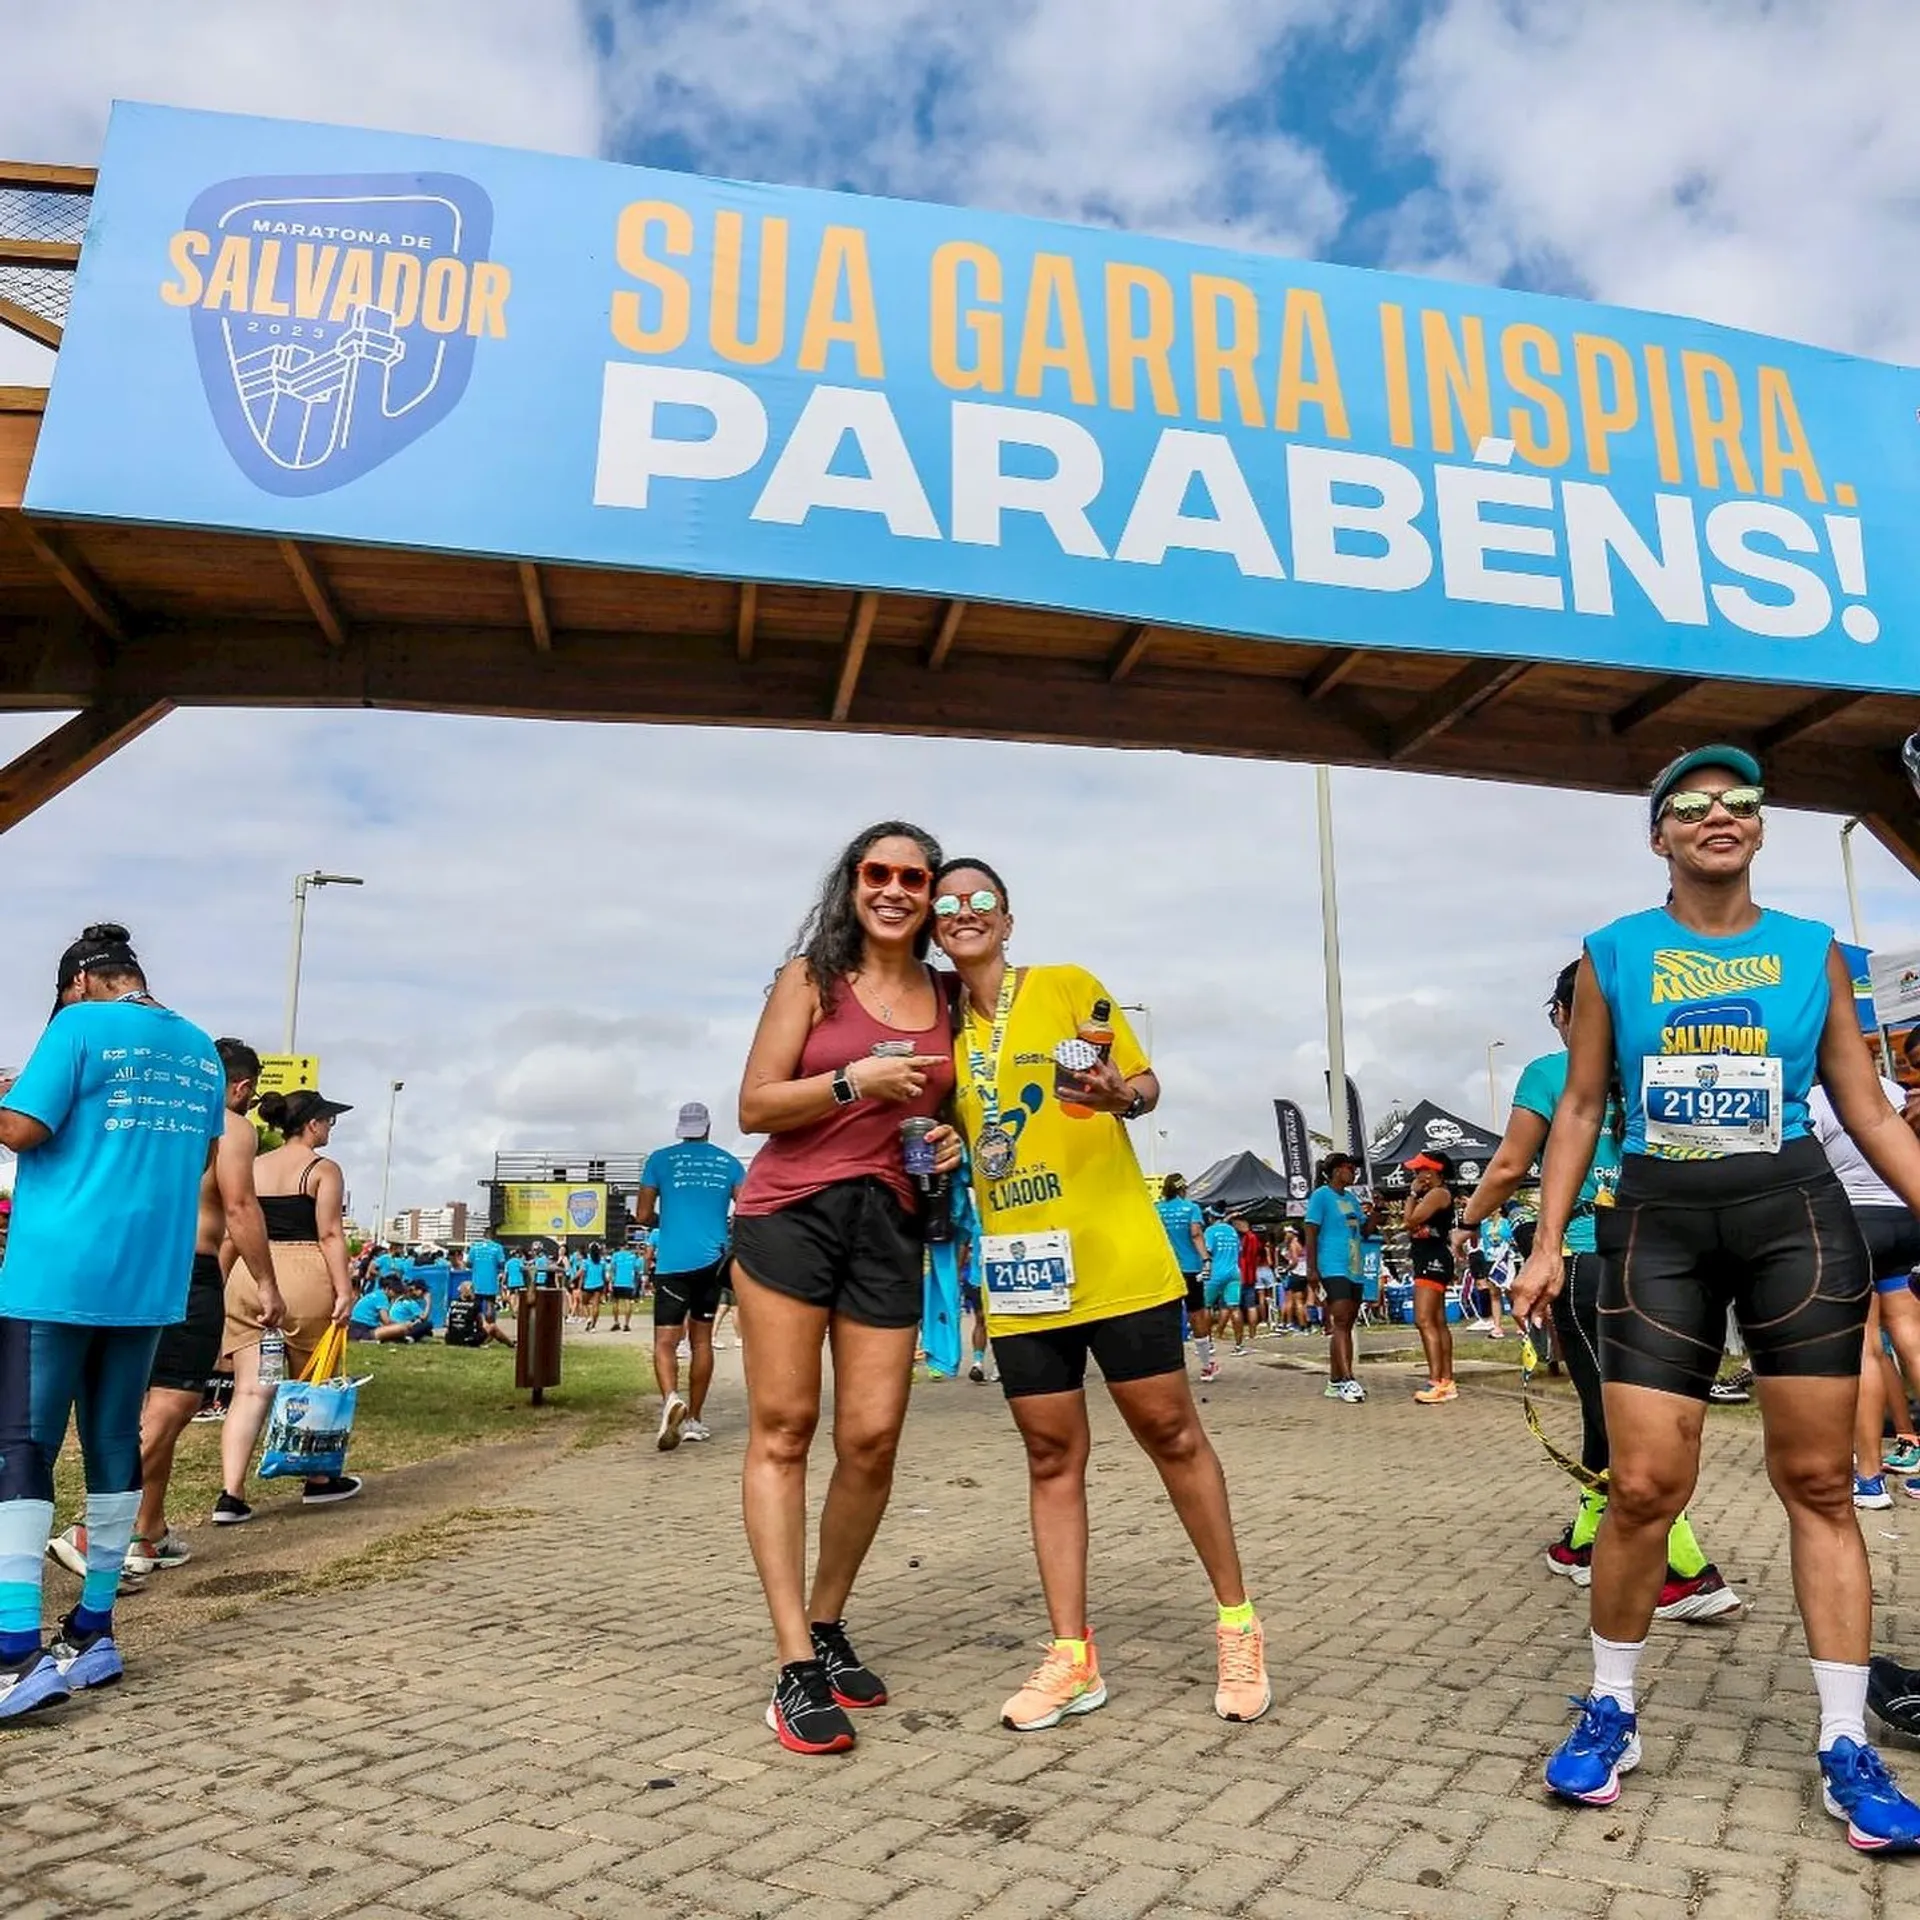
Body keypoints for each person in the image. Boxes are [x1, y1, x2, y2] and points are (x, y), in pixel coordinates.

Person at [1513, 745, 1920, 1850]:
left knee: (1818, 1483)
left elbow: (1871, 1113)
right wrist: (1546, 1242)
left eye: (1738, 801)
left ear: (1757, 827)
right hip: (1655, 1227)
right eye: (1689, 806)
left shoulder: (1813, 956)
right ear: (1660, 838)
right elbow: (1584, 1109)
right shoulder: (1613, 955)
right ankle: (1612, 1709)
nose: (1717, 815)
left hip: (1794, 1220)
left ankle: (1848, 1741)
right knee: (1644, 1484)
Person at [931, 858, 1270, 1735]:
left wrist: (1125, 1095)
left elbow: (1140, 1083)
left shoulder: (1066, 988)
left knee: (1169, 1433)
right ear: (934, 927)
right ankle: (1071, 1657)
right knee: (1050, 1458)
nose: (963, 914)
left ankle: (1238, 1625)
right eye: (948, 905)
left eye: (980, 903)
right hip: (1019, 1272)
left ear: (1008, 920)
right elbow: (958, 1128)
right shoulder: (939, 1035)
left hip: (1114, 1257)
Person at [732, 822, 961, 1755]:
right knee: (785, 1429)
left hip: (890, 1222)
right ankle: (793, 1667)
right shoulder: (810, 980)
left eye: (915, 877)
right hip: (790, 1212)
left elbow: (948, 1111)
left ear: (933, 895)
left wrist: (944, 1142)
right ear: (853, 883)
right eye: (879, 872)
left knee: (870, 1439)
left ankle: (827, 1623)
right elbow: (755, 1104)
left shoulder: (949, 997)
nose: (895, 889)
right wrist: (849, 1080)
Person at [1459, 962, 1739, 1619]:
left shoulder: (1548, 1076)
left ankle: (1682, 1567)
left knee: (1622, 1417)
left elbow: (1507, 1165)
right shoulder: (1665, 1064)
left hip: (1588, 1257)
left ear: (1562, 1013)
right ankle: (1588, 1536)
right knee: (1617, 1404)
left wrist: (1468, 1219)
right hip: (1672, 1258)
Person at [0, 923, 226, 1720]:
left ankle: (13, 1649)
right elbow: (198, 1157)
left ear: (82, 981)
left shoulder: (78, 1027)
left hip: (57, 1271)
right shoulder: (200, 1048)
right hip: (150, 1274)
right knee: (110, 1443)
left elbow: (23, 1128)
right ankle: (94, 1632)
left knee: (23, 1445)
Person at [127, 1040, 282, 1578]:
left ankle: (149, 1528)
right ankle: (98, 1526)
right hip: (187, 1267)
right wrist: (266, 1283)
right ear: (239, 1087)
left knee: (152, 1402)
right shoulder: (232, 1127)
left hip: (132, 1266)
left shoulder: (153, 1117)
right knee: (174, 1403)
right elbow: (240, 1207)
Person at [214, 1088, 359, 1523]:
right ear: (312, 1124)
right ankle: (317, 1479)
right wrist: (344, 1290)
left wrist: (222, 1283)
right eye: (329, 1120)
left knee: (249, 1389)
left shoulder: (252, 1166)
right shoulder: (323, 1170)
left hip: (249, 1274)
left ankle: (231, 1494)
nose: (331, 1127)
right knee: (315, 1380)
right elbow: (331, 1234)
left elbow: (232, 1228)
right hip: (304, 1274)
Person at [1804, 1076, 1920, 1507]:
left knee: (1865, 1347)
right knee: (1913, 1341)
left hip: (1855, 1225)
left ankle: (1869, 1478)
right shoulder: (1894, 1094)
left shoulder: (1816, 1100)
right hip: (1906, 1218)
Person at [639, 1101, 747, 1450]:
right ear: (708, 1127)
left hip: (673, 1262)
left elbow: (642, 1215)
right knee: (701, 1341)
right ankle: (695, 1419)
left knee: (666, 1342)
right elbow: (745, 1210)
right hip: (712, 1263)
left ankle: (671, 1398)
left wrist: (666, 1221)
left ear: (680, 1129)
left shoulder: (658, 1160)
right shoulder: (729, 1163)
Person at [1305, 1153, 1370, 1404]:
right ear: (1335, 1171)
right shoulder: (1321, 1195)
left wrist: (1375, 1214)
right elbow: (1310, 1231)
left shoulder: (1351, 1198)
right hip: (1332, 1265)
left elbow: (1364, 1229)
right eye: (1349, 1168)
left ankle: (1335, 1381)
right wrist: (1311, 1269)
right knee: (1341, 1320)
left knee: (1347, 1323)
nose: (1353, 1172)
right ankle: (1347, 1379)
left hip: (1354, 1265)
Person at [1403, 1153, 1457, 1404]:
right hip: (1431, 1257)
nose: (1415, 1176)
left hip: (1432, 1259)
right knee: (1436, 1321)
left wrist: (1413, 1194)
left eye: (1418, 1172)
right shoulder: (1437, 1194)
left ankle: (1437, 1381)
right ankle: (1446, 1380)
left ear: (1431, 1172)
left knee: (1423, 1320)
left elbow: (1409, 1221)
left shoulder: (1437, 1194)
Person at [1153, 1174, 1214, 1377]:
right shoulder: (1192, 1208)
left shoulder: (1157, 1209)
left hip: (1167, 1269)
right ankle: (1206, 1366)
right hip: (1191, 1268)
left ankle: (1170, 1367)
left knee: (1168, 1315)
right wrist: (1206, 1259)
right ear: (1183, 1188)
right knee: (1196, 1313)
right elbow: (1196, 1234)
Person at [1201, 1208, 1244, 1355]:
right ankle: (1239, 1346)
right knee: (1235, 1307)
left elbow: (1206, 1251)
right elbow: (1239, 1250)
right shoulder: (1232, 1231)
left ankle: (1209, 1345)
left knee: (1206, 1307)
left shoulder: (1210, 1231)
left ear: (1212, 1217)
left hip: (1215, 1273)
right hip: (1233, 1273)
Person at [468, 1229, 506, 1333]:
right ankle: (490, 1330)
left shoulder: (474, 1247)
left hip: (477, 1282)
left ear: (483, 1236)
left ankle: (478, 1329)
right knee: (490, 1305)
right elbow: (502, 1263)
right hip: (491, 1282)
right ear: (494, 1237)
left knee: (476, 1307)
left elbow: (469, 1263)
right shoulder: (497, 1247)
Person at [608, 1240, 642, 1331]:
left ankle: (616, 1322)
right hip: (628, 1282)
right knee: (628, 1302)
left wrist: (611, 1282)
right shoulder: (632, 1256)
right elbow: (637, 1269)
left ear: (619, 1246)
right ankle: (626, 1324)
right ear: (627, 1246)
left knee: (615, 1302)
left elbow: (612, 1269)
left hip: (617, 1282)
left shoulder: (615, 1255)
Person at [580, 1242, 607, 1332]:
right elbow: (603, 1275)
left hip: (588, 1284)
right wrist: (604, 1286)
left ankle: (588, 1318)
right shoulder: (602, 1262)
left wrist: (580, 1285)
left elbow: (583, 1275)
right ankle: (593, 1326)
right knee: (596, 1305)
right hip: (599, 1284)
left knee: (584, 1303)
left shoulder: (586, 1261)